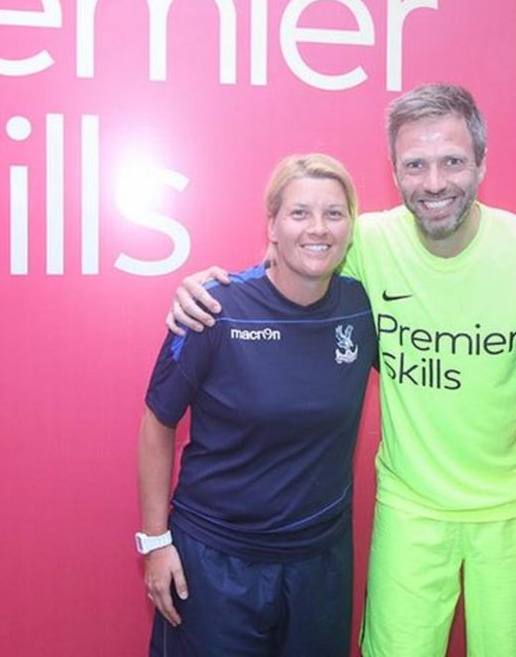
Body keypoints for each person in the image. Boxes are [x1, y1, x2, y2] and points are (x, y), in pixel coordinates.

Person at [166, 84, 516, 657]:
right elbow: (290, 264)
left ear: (481, 164)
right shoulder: (366, 241)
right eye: (415, 165)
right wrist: (204, 289)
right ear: (394, 171)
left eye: (451, 161)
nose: (433, 183)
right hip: (410, 507)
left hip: (513, 510)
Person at [137, 153, 377, 657]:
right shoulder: (213, 309)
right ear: (272, 225)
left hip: (319, 567)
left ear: (351, 227)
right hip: (216, 564)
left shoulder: (362, 308)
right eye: (299, 213)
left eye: (334, 213)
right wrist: (155, 542)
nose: (318, 228)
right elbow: (158, 421)